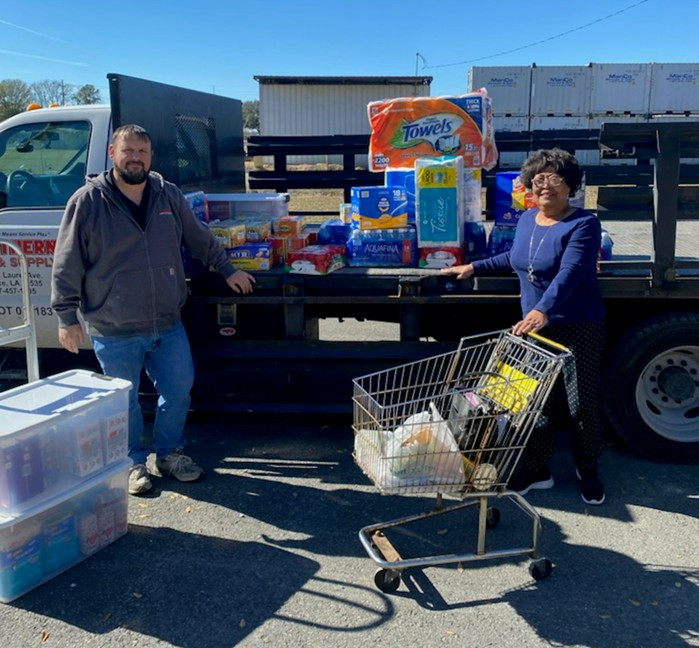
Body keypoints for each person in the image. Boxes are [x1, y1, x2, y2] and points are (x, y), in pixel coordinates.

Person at [51, 124, 255, 496]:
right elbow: (67, 262)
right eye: (128, 151)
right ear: (112, 152)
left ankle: (169, 453)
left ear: (151, 157)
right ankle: (132, 463)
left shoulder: (167, 195)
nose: (135, 158)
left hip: (166, 321)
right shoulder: (87, 201)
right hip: (113, 325)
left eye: (142, 152)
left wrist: (227, 268)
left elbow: (198, 237)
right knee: (124, 402)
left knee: (179, 389)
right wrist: (66, 317)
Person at [442, 148, 606, 505]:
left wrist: (543, 311)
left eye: (555, 178)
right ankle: (537, 469)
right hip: (535, 329)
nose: (546, 186)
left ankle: (588, 468)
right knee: (534, 404)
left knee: (581, 405)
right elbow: (514, 258)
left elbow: (572, 272)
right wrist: (473, 268)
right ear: (530, 187)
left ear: (571, 185)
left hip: (576, 325)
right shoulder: (528, 220)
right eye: (538, 179)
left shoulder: (583, 224)